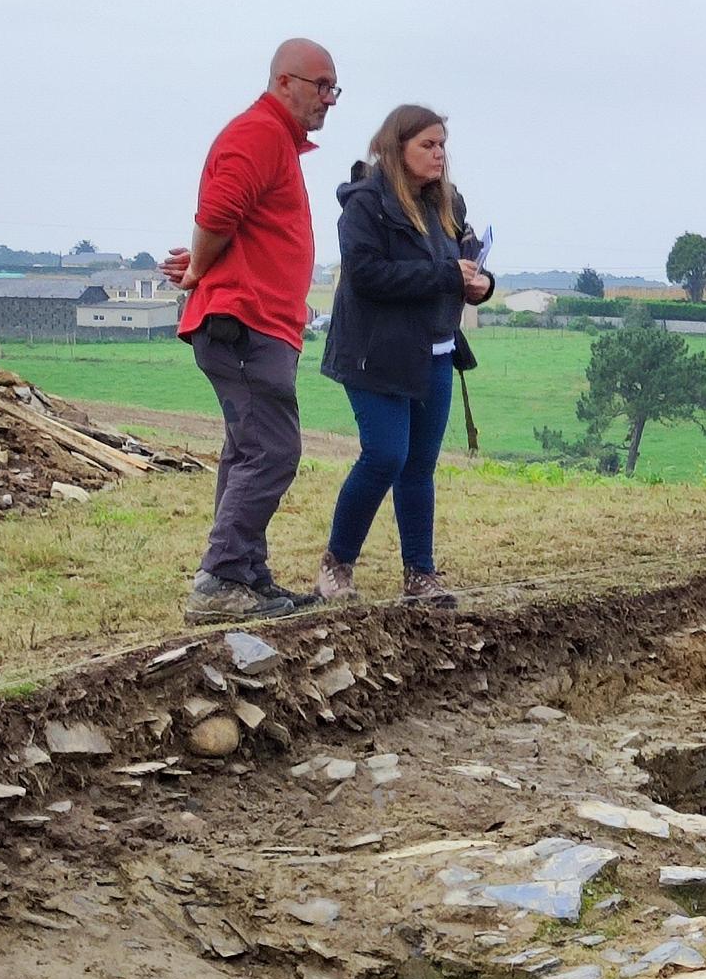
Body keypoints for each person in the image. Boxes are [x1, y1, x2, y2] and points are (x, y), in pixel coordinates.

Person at [162, 39, 339, 622]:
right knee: (272, 449)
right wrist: (199, 269)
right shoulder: (259, 134)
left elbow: (233, 226)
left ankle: (248, 577)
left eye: (334, 89)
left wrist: (199, 267)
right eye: (321, 85)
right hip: (244, 325)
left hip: (257, 325)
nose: (329, 99)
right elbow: (216, 215)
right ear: (283, 82)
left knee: (248, 451)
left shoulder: (275, 141)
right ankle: (221, 580)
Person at [314, 105, 493, 607]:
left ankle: (421, 576)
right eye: (427, 145)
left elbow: (470, 261)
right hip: (374, 353)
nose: (438, 154)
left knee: (419, 467)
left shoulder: (448, 202)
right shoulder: (365, 205)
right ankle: (336, 564)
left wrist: (482, 285)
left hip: (435, 350)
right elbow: (367, 276)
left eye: (442, 145)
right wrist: (445, 276)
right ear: (396, 148)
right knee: (385, 455)